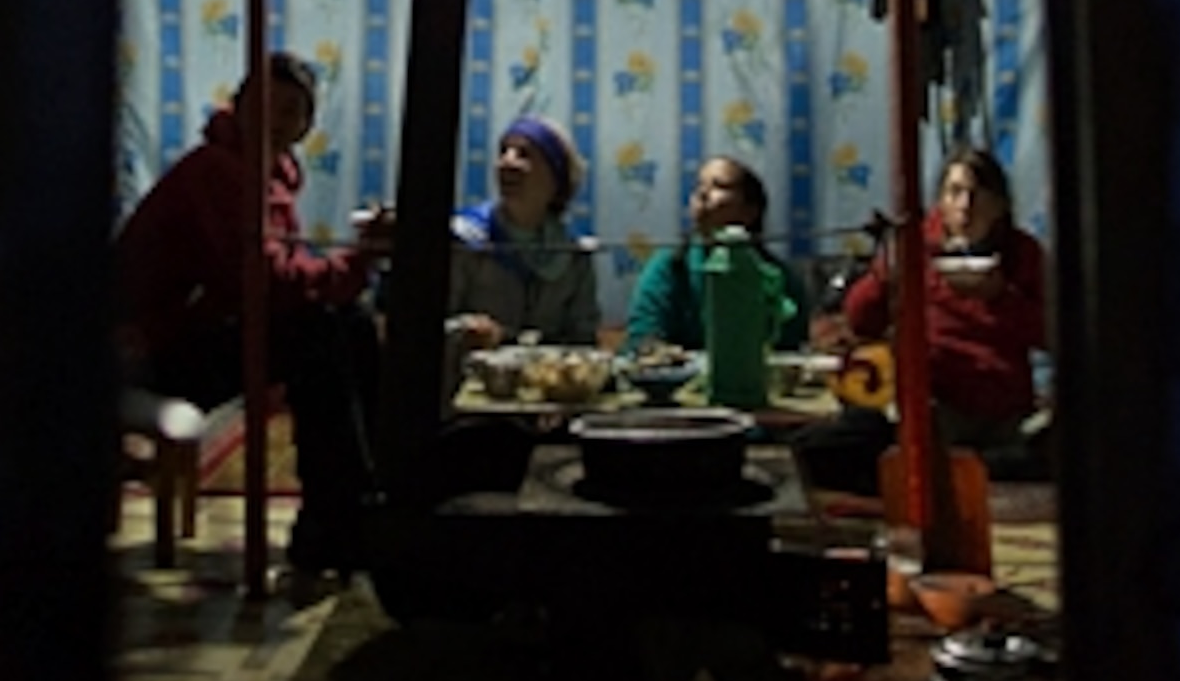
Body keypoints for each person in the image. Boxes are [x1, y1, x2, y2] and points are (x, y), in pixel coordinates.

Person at [114, 51, 394, 580]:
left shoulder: (271, 174)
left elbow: (275, 274)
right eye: (267, 105)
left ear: (308, 123)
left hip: (200, 329)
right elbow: (265, 284)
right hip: (147, 351)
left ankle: (359, 503)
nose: (279, 120)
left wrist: (349, 270)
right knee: (317, 333)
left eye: (293, 110)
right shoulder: (218, 173)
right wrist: (359, 260)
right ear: (241, 106)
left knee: (348, 322)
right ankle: (334, 522)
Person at [794, 145, 1047, 494]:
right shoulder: (915, 247)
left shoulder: (1021, 254)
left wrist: (1000, 298)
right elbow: (861, 320)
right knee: (844, 443)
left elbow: (1051, 334)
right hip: (934, 405)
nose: (966, 206)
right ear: (940, 201)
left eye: (979, 194)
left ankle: (976, 469)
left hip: (1002, 407)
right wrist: (888, 270)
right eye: (955, 192)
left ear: (1000, 206)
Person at [445, 114, 601, 352]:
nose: (507, 162)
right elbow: (422, 328)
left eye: (524, 154)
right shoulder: (465, 239)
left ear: (555, 177)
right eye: (503, 152)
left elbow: (584, 340)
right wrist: (465, 332)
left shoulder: (572, 257)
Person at [622, 154, 805, 352]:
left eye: (719, 186)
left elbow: (789, 349)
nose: (702, 193)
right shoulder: (669, 268)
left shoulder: (777, 277)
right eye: (699, 185)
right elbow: (643, 341)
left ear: (750, 211)